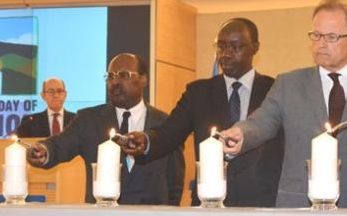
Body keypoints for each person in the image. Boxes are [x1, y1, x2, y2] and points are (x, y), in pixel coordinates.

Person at [221, 0, 347, 208]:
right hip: (300, 204)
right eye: (316, 35)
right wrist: (241, 134)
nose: (321, 44)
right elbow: (261, 121)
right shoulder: (288, 83)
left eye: (331, 37)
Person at [120, 18, 283, 206]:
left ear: (255, 48)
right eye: (221, 46)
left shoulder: (276, 90)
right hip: (209, 204)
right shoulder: (198, 93)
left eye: (235, 46)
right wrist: (146, 141)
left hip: (263, 203)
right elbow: (169, 134)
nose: (226, 54)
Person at [27, 53, 185, 206]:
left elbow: (175, 182)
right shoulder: (88, 120)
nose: (115, 81)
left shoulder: (166, 124)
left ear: (143, 79)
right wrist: (44, 150)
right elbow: (60, 145)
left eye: (124, 75)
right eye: (110, 76)